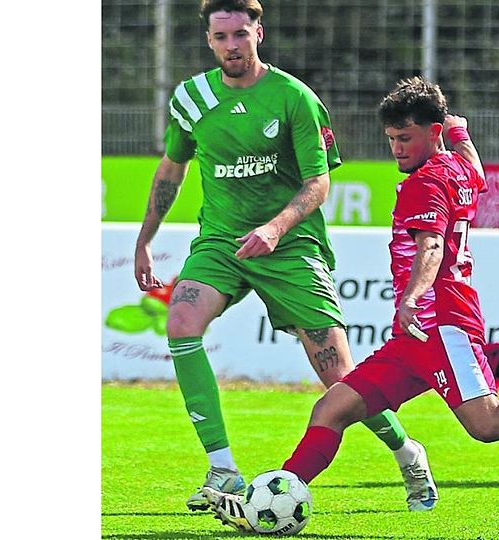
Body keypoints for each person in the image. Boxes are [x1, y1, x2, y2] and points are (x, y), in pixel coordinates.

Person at [203, 77, 499, 531]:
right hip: (414, 337)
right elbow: (478, 171)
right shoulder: (455, 166)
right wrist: (459, 130)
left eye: (405, 138)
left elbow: (431, 246)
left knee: (487, 423)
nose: (397, 149)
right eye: (390, 139)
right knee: (332, 408)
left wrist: (411, 296)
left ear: (431, 133)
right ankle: (275, 496)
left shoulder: (424, 184)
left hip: (443, 324)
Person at [133, 0, 438, 512]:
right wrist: (145, 237)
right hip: (222, 243)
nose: (232, 45)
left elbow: (319, 182)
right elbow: (171, 168)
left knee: (341, 380)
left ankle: (408, 453)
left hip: (290, 245)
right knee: (181, 320)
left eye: (241, 34)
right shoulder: (190, 98)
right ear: (209, 41)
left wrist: (274, 229)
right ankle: (224, 469)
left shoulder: (294, 97)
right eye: (222, 36)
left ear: (259, 33)